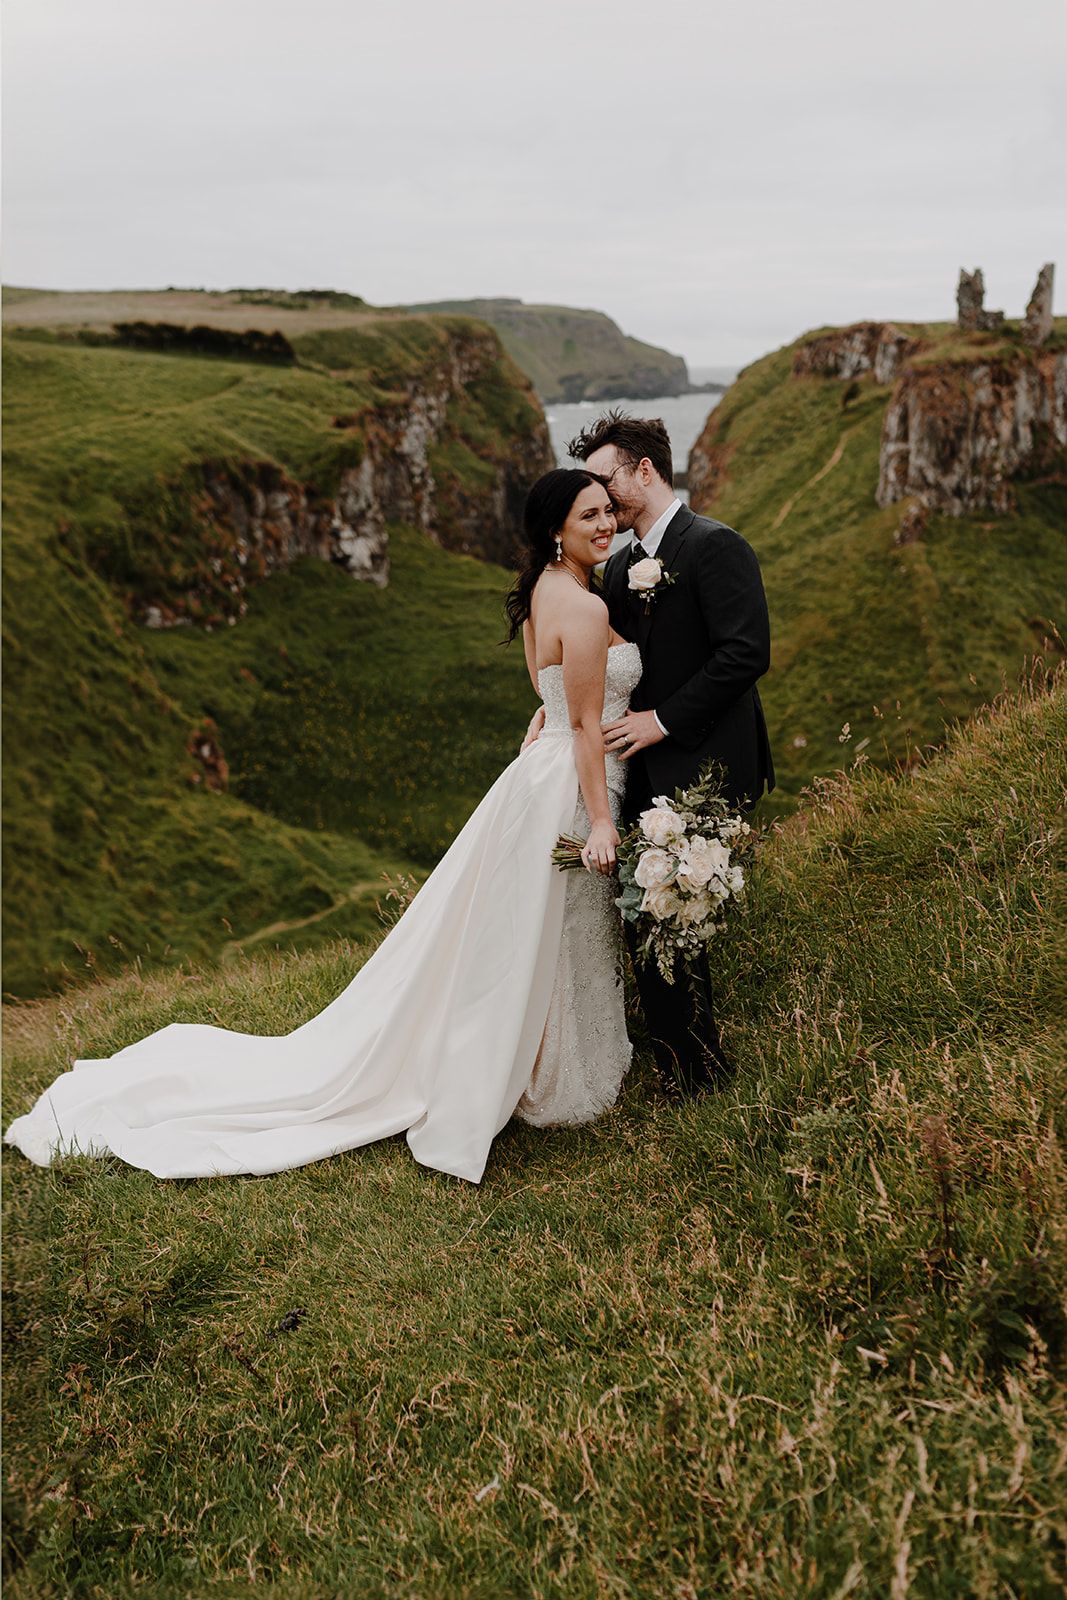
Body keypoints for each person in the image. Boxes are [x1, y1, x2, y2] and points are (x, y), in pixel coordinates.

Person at [5, 470, 638, 1186]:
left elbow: (552, 698)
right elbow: (585, 723)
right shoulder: (583, 611)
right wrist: (598, 821)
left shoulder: (543, 595)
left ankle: (543, 1062)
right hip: (567, 785)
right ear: (556, 527)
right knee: (555, 929)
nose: (605, 524)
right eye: (589, 514)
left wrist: (552, 723)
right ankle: (556, 1077)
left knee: (537, 934)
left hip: (536, 773)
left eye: (608, 511)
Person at [558, 410, 774, 1096]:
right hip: (646, 769)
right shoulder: (620, 565)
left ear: (642, 471)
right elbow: (605, 661)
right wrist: (551, 713)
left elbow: (746, 653)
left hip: (704, 760)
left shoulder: (715, 546)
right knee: (648, 913)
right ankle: (679, 1062)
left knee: (673, 912)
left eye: (602, 480)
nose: (594, 500)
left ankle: (698, 1070)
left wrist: (663, 722)